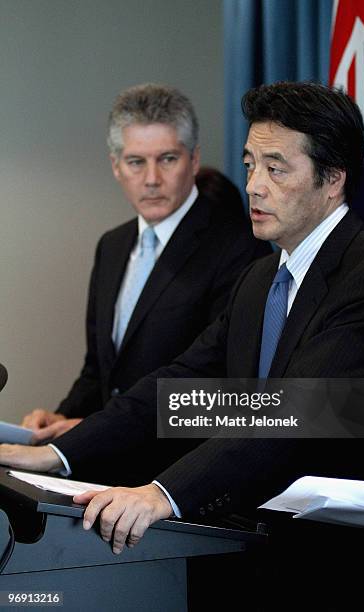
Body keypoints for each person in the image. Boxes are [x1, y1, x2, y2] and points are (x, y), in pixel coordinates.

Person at [1, 81, 364, 555]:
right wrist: (54, 454)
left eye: (276, 168)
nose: (255, 184)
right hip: (255, 537)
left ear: (333, 178)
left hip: (345, 556)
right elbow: (180, 386)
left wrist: (161, 494)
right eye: (251, 165)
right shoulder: (259, 279)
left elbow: (292, 416)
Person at [19, 84, 270, 483]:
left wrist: (87, 434)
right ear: (116, 165)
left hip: (173, 486)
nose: (151, 179)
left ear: (193, 159)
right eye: (136, 162)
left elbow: (220, 394)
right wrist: (60, 420)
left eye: (167, 159)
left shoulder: (240, 250)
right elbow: (99, 371)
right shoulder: (112, 245)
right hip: (97, 475)